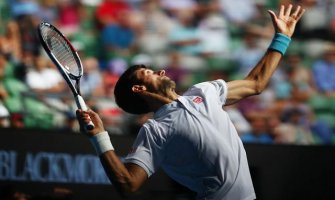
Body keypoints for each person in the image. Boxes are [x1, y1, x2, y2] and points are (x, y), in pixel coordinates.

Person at [77, 4, 305, 200]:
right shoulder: (155, 130)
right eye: (150, 72)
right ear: (139, 89)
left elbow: (255, 83)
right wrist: (99, 136)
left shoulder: (205, 91)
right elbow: (128, 185)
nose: (161, 70)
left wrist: (282, 38)